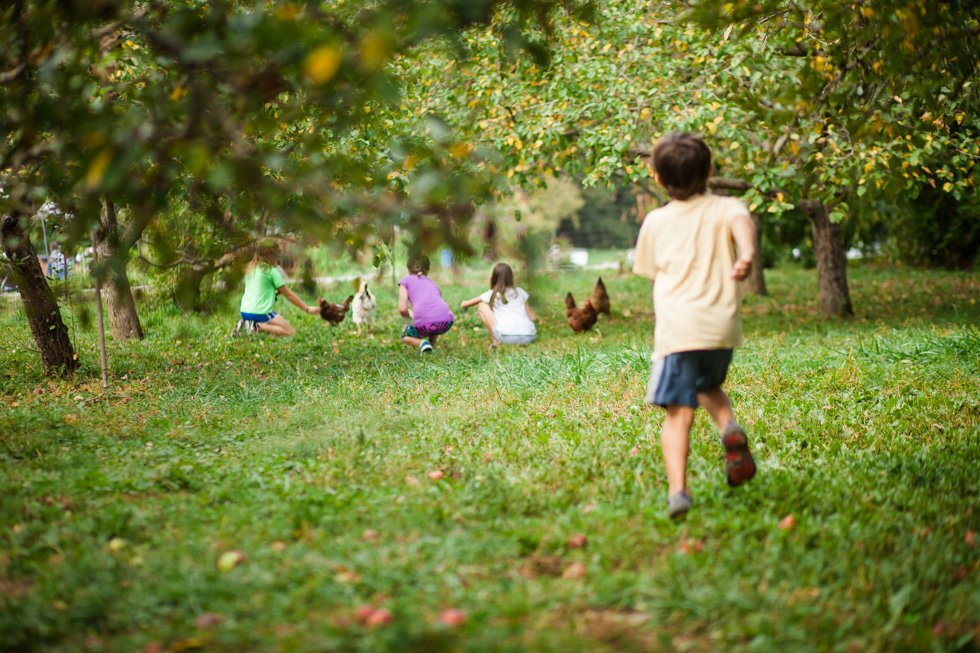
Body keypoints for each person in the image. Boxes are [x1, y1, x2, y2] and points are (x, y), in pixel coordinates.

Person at [632, 132, 758, 519]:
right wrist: (747, 253)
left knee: (677, 412)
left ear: (656, 178)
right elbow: (741, 221)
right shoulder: (728, 206)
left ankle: (678, 492)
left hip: (680, 331)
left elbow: (651, 273)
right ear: (710, 171)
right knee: (708, 386)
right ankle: (728, 426)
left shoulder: (656, 220)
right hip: (721, 328)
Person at [235, 241, 318, 337]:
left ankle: (249, 324)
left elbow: (257, 291)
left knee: (275, 327)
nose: (279, 258)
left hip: (245, 312)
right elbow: (289, 295)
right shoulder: (272, 271)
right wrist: (307, 309)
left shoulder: (251, 269)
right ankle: (255, 326)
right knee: (290, 332)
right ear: (270, 253)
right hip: (260, 313)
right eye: (277, 254)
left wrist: (274, 293)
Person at [460, 262, 537, 348]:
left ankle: (496, 342)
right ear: (511, 277)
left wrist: (463, 304)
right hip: (529, 336)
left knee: (482, 305)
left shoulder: (492, 294)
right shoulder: (520, 292)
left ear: (494, 278)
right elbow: (533, 317)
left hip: (507, 338)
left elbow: (465, 304)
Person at [398, 255, 454, 354]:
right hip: (446, 321)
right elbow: (434, 307)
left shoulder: (405, 281)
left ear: (408, 268)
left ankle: (422, 342)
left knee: (405, 336)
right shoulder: (432, 283)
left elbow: (402, 309)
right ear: (427, 269)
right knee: (433, 319)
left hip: (423, 325)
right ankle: (431, 347)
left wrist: (410, 321)